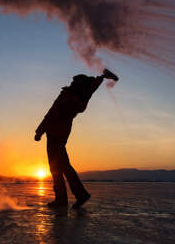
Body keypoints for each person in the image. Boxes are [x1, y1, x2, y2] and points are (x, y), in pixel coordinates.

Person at [35, 68, 119, 209]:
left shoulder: (69, 94)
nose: (72, 83)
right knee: (63, 166)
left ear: (78, 82)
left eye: (74, 81)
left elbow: (51, 112)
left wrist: (39, 131)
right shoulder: (84, 94)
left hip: (54, 133)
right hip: (62, 133)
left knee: (57, 167)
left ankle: (67, 199)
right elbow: (94, 85)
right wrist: (103, 76)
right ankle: (74, 196)